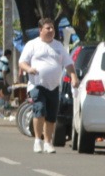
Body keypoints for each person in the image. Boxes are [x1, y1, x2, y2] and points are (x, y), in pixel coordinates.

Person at [18, 18, 78, 154]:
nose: (51, 31)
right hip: (37, 84)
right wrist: (29, 69)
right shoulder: (32, 45)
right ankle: (37, 140)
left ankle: (48, 142)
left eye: (52, 28)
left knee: (51, 115)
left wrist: (73, 77)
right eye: (48, 28)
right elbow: (22, 62)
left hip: (54, 86)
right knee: (40, 109)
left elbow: (68, 64)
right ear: (40, 30)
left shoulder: (58, 46)